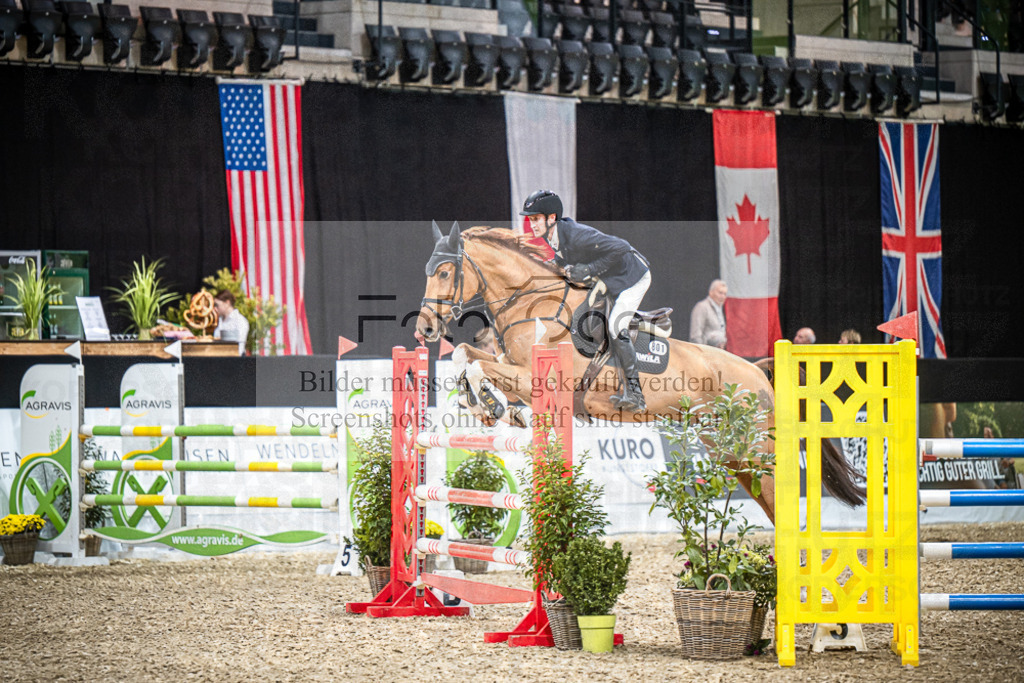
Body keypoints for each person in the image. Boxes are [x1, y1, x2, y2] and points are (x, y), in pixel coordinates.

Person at [520, 189, 650, 412]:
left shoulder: (577, 235)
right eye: (530, 220)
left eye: (536, 219)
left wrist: (591, 269)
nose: (532, 224)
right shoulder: (553, 237)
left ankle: (636, 394)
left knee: (616, 326)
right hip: (610, 277)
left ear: (552, 218)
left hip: (633, 276)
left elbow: (622, 247)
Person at [689, 279, 728, 348]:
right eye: (720, 293)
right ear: (711, 292)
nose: (723, 296)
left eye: (725, 294)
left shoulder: (719, 309)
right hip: (704, 352)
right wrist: (701, 352)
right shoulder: (702, 307)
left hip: (716, 352)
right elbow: (695, 336)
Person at [213, 290, 250, 355]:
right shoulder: (220, 320)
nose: (215, 308)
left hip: (234, 358)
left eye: (217, 305)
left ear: (227, 303)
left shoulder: (240, 320)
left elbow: (240, 347)